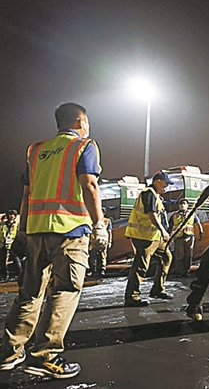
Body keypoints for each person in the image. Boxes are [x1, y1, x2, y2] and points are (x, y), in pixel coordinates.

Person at [0, 102, 108, 379]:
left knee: (29, 292)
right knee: (65, 290)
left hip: (36, 232)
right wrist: (99, 225)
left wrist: (22, 231)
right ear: (80, 121)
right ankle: (44, 356)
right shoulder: (84, 146)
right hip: (69, 232)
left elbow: (26, 195)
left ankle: (9, 352)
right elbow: (89, 185)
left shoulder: (35, 150)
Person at [124, 171, 174, 306]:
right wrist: (163, 230)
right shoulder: (148, 193)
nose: (166, 187)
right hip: (144, 237)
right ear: (158, 181)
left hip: (155, 238)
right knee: (141, 265)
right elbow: (151, 215)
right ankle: (132, 296)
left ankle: (157, 289)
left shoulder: (155, 196)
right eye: (165, 183)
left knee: (166, 258)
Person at [169, 198, 203, 277]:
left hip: (189, 237)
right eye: (181, 204)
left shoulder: (191, 214)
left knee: (188, 255)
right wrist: (169, 235)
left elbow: (198, 223)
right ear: (179, 205)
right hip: (179, 238)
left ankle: (186, 271)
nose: (182, 205)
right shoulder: (175, 215)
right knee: (179, 255)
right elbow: (170, 226)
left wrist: (201, 231)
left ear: (187, 205)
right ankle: (179, 271)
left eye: (184, 203)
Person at [88, 208, 112, 279]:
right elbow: (109, 232)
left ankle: (95, 270)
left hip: (95, 240)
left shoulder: (93, 220)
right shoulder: (107, 221)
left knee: (95, 255)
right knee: (101, 255)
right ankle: (101, 270)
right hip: (103, 240)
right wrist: (109, 241)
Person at [0, 209, 20, 280]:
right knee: (2, 260)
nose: (11, 216)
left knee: (16, 259)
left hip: (13, 245)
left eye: (13, 215)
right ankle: (4, 275)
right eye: (10, 214)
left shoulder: (16, 225)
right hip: (2, 245)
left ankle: (19, 273)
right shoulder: (3, 224)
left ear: (15, 216)